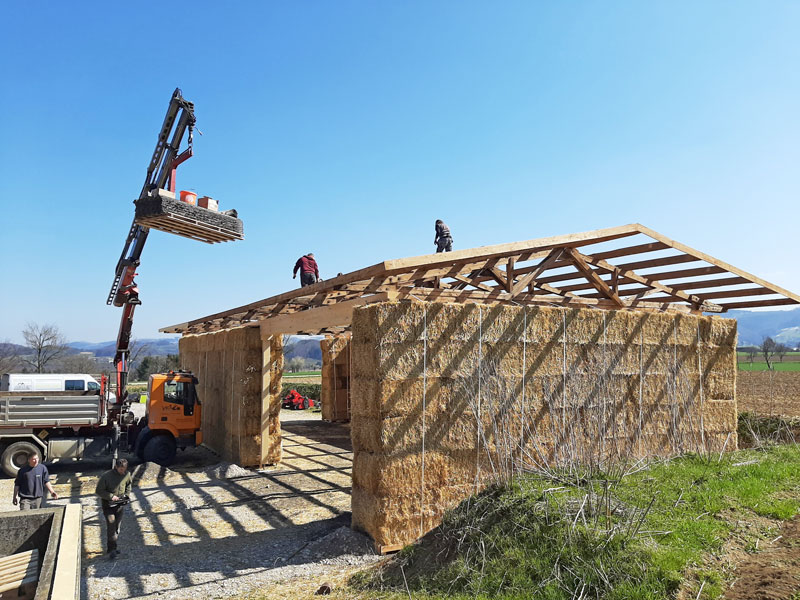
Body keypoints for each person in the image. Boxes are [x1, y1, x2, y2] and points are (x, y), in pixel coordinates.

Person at [95, 458, 133, 559]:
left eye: (124, 469)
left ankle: (113, 547)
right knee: (111, 525)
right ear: (116, 467)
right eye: (121, 469)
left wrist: (126, 495)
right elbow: (99, 491)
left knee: (117, 527)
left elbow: (129, 485)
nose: (122, 471)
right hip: (108, 506)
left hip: (120, 505)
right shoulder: (106, 476)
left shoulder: (127, 475)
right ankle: (111, 550)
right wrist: (111, 496)